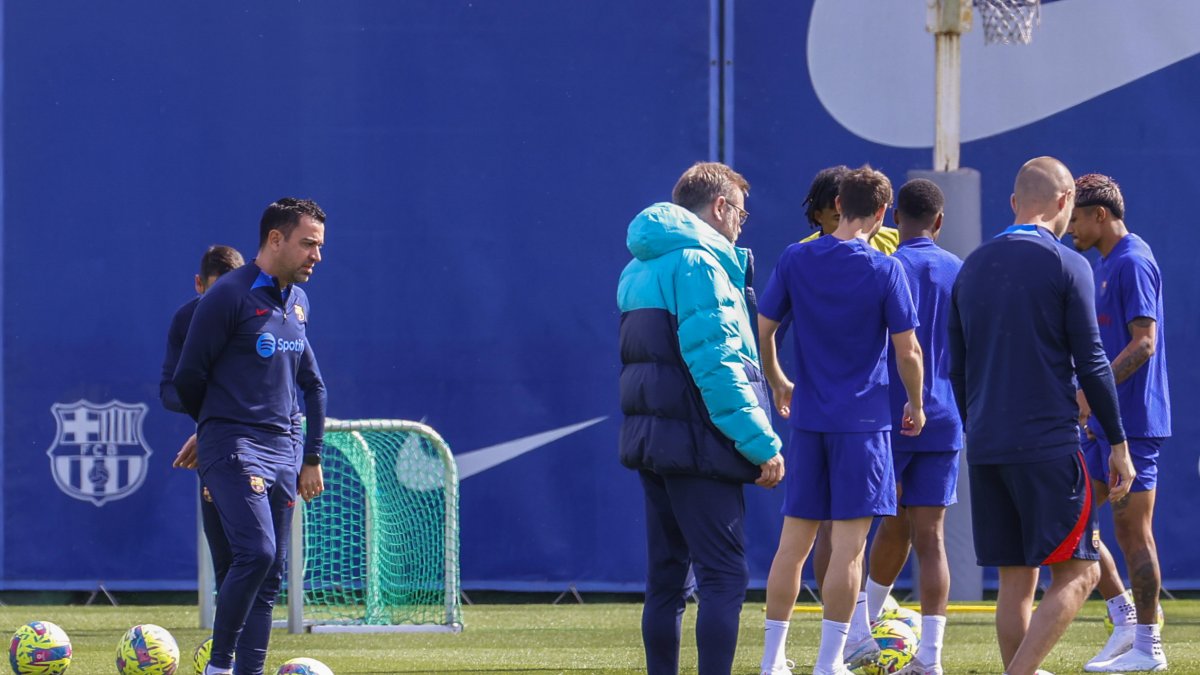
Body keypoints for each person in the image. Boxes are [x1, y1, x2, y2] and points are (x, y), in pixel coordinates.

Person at [948, 157, 1134, 675]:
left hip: (986, 446)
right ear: (1064, 202)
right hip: (1047, 445)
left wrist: (978, 428)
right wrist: (1117, 443)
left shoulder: (972, 266)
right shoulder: (1067, 263)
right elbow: (1093, 362)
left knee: (1016, 582)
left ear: (1013, 204)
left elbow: (956, 370)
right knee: (1082, 573)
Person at [617, 161, 785, 675]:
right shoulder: (701, 264)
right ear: (719, 207)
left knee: (666, 581)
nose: (741, 223)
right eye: (740, 211)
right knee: (723, 577)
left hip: (652, 440)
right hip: (701, 443)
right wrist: (762, 444)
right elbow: (717, 366)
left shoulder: (637, 266)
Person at [758, 166, 926, 675]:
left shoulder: (795, 256)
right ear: (880, 213)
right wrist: (916, 404)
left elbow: (764, 327)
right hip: (864, 426)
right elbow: (909, 351)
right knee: (850, 551)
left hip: (809, 424)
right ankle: (829, 662)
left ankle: (772, 661)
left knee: (792, 547)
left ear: (837, 202)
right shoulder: (885, 268)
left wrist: (777, 380)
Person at [174, 198, 328, 675]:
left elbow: (313, 384)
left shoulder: (299, 303)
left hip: (284, 448)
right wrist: (214, 429)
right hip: (234, 445)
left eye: (320, 247)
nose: (316, 256)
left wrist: (311, 456)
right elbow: (187, 377)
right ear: (275, 239)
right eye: (307, 244)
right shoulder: (227, 296)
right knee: (256, 552)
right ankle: (219, 667)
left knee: (270, 575)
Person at [852, 179, 962, 675]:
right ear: (939, 221)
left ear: (895, 217)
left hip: (889, 415)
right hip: (943, 415)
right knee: (927, 535)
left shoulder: (887, 266)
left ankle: (859, 630)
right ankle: (929, 657)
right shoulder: (960, 271)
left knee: (865, 526)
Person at [1065, 174, 1170, 673]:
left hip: (1136, 424)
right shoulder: (1106, 263)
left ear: (1099, 215)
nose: (1070, 230)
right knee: (1073, 521)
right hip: (1103, 424)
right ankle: (1126, 620)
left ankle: (1149, 649)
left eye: (1076, 219)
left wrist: (1093, 390)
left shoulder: (1132, 260)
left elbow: (1144, 343)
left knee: (1133, 534)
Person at [798, 165, 900, 599]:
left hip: (883, 405)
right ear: (821, 213)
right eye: (826, 211)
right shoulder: (801, 255)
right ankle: (842, 628)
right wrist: (781, 380)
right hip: (835, 411)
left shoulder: (892, 248)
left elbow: (908, 333)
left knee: (898, 518)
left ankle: (862, 617)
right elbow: (773, 328)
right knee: (828, 529)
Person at [159, 245, 245, 610]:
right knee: (227, 559)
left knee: (262, 559)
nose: (223, 303)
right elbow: (169, 390)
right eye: (215, 293)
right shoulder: (186, 320)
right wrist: (210, 422)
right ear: (199, 285)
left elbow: (284, 389)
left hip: (267, 447)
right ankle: (231, 658)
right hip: (217, 448)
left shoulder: (263, 314)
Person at [801, 165, 900, 253]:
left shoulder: (898, 240)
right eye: (838, 217)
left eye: (856, 214)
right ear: (819, 216)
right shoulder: (800, 254)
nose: (849, 224)